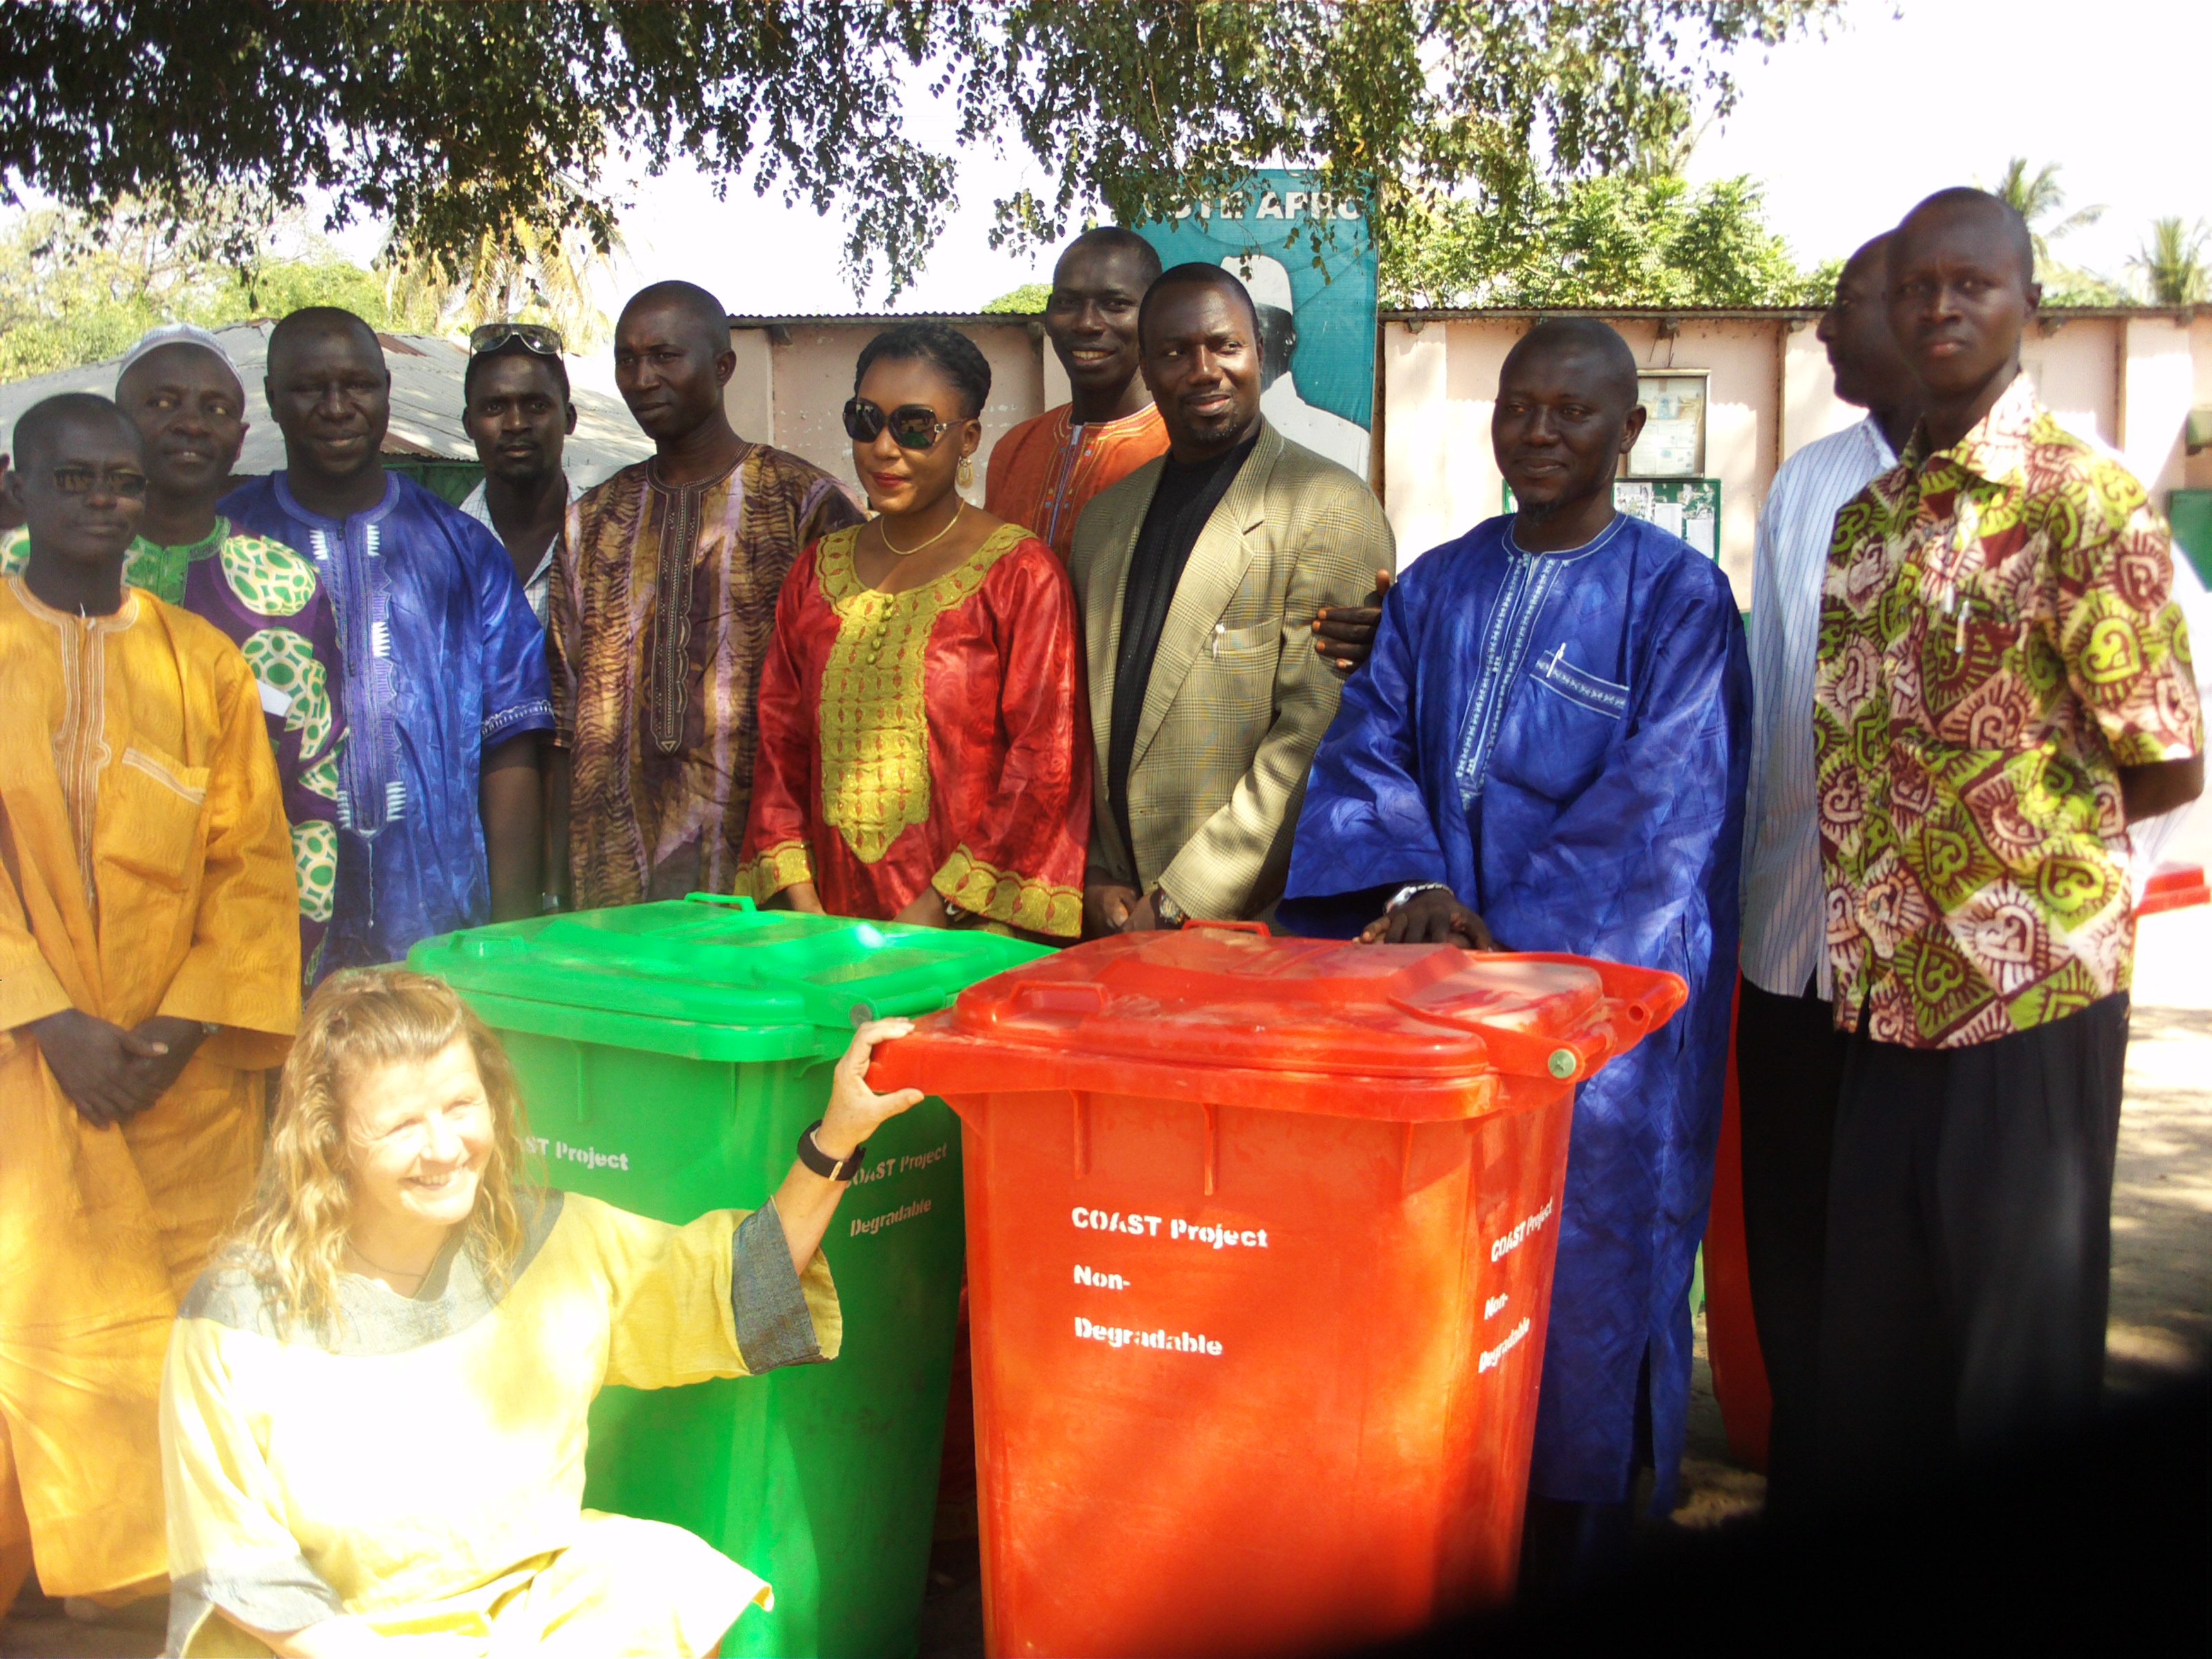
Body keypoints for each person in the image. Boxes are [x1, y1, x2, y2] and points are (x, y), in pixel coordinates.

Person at [1277, 319, 1751, 1582]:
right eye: (1520, 407)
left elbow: (1667, 808)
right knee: (1433, 1271)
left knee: (1590, 1270)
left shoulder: (1677, 597)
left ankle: (1579, 1534)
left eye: (1574, 413)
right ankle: (1438, 1513)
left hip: (1599, 1016)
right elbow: (1368, 740)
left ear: (1629, 433)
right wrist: (1420, 883)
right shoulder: (1436, 584)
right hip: (1431, 1002)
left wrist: (1517, 951)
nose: (1541, 433)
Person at [161, 969, 924, 1656]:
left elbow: (735, 1286)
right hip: (335, 1640)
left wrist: (838, 1137)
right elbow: (243, 1570)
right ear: (329, 1143)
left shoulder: (547, 1242)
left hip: (526, 1612)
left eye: (461, 1105)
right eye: (400, 1126)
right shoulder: (237, 1318)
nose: (444, 1147)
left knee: (656, 1577)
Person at [1812, 189, 2202, 1484]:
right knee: (1879, 1363)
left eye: (1970, 284)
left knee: (2013, 1368)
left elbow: (2163, 758)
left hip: (2026, 998)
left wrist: (2024, 885)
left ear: (2030, 307)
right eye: (1918, 284)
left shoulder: (2085, 504)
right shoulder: (1863, 529)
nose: (1939, 306)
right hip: (1879, 998)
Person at [0, 394, 298, 1622]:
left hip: (180, 1089)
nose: (105, 504)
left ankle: (159, 1586)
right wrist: (47, 1019)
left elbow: (255, 867)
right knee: (31, 1324)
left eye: (120, 482)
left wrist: (174, 1031)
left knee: (184, 1332)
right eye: (74, 481)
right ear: (18, 492)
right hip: (25, 1070)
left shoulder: (204, 661)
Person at [1734, 233, 1922, 1509]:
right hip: (1793, 940)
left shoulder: (2044, 495)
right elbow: (1764, 693)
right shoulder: (1808, 484)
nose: (1823, 334)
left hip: (1945, 970)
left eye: (1843, 309)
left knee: (1916, 1247)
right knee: (1795, 1237)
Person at [0, 326, 348, 986]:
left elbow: (308, 791)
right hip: (33, 962)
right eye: (162, 403)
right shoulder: (16, 567)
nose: (191, 424)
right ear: (117, 419)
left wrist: (265, 972)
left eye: (216, 409)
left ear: (241, 438)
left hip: (222, 962)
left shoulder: (286, 585)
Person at [223, 307, 553, 969]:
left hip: (440, 931)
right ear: (271, 399)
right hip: (261, 924)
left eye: (358, 385)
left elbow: (511, 749)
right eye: (310, 388)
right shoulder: (225, 546)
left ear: (386, 391)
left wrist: (511, 944)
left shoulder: (461, 549)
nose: (337, 407)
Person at [1069, 262, 1392, 935]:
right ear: (1146, 369)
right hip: (1115, 914)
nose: (1203, 370)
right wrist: (1096, 872)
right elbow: (1086, 720)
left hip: (1249, 929)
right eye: (1174, 352)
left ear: (1259, 354)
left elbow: (1310, 740)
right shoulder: (1103, 523)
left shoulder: (1326, 508)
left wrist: (1176, 902)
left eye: (1224, 346)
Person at [741, 322, 1089, 939]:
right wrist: (806, 913)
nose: (883, 447)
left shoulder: (1018, 574)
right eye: (865, 420)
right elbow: (779, 747)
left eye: (914, 426)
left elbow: (1044, 762)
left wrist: (935, 915)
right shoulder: (816, 573)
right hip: (825, 940)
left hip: (965, 939)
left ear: (968, 439)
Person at [550, 281, 863, 912]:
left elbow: (853, 709)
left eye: (665, 356)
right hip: (613, 881)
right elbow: (562, 718)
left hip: (769, 879)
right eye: (627, 359)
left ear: (723, 367)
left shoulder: (804, 504)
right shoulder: (592, 521)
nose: (642, 378)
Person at [984, 227, 1168, 561]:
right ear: (1048, 318)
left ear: (1155, 317)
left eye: (1114, 305)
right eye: (1068, 303)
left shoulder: (1178, 451)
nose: (1086, 323)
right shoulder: (1013, 450)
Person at [458, 321, 579, 627]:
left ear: (569, 419)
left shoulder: (614, 541)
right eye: (494, 407)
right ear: (469, 424)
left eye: (537, 405)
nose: (515, 424)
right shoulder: (438, 550)